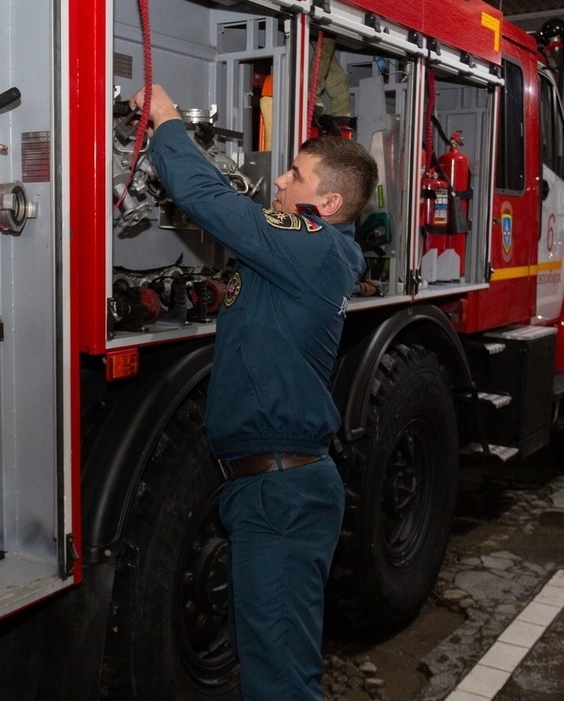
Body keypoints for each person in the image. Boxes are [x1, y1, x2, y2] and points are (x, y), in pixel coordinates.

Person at [128, 84, 378, 701]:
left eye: (296, 175)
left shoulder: (315, 249)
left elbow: (206, 199)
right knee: (266, 660)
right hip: (267, 488)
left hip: (281, 493)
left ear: (330, 200)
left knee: (282, 682)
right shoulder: (301, 254)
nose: (281, 182)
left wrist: (166, 120)